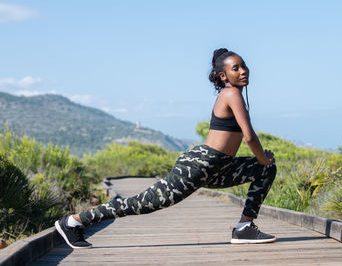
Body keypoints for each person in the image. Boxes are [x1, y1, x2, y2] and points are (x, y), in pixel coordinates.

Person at [55, 48, 277, 249]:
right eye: (235, 68)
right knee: (143, 203)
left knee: (266, 170)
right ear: (223, 75)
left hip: (221, 166)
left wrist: (263, 162)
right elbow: (249, 136)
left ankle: (243, 228)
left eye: (244, 66)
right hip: (199, 166)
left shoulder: (233, 94)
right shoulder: (231, 93)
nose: (243, 71)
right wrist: (262, 157)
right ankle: (73, 222)